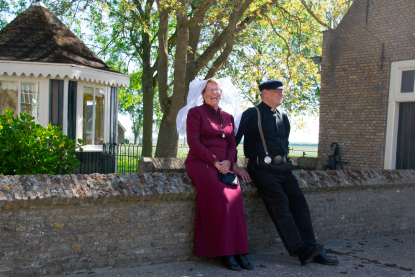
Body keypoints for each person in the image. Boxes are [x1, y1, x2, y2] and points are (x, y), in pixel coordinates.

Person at [233, 80, 339, 266]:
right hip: (262, 169)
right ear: (264, 93)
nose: (281, 95)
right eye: (277, 92)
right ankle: (301, 250)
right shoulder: (252, 113)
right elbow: (233, 139)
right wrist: (235, 165)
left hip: (284, 168)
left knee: (300, 205)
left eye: (282, 92)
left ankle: (312, 248)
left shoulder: (282, 116)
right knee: (280, 207)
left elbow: (284, 142)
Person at [176, 77, 254, 271]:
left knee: (235, 199)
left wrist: (228, 161)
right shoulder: (195, 113)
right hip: (201, 162)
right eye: (210, 90)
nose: (214, 93)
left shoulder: (228, 117)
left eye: (217, 90)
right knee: (222, 197)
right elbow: (193, 142)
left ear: (221, 93)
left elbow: (232, 143)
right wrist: (214, 161)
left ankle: (240, 251)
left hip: (224, 165)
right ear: (202, 94)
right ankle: (225, 252)